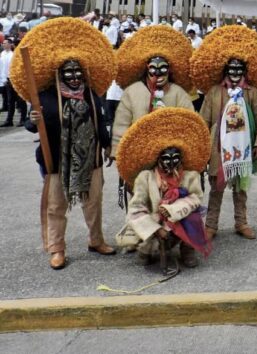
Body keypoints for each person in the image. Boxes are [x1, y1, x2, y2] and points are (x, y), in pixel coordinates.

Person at [12, 18, 117, 269]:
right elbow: (32, 125)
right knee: (56, 206)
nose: (74, 76)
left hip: (90, 158)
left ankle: (96, 240)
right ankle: (57, 248)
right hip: (58, 160)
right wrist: (32, 120)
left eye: (78, 72)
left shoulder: (91, 94)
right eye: (68, 72)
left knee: (94, 202)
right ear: (59, 74)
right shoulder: (45, 97)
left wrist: (107, 146)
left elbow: (100, 122)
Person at [110, 25, 195, 248]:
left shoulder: (178, 93)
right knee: (139, 197)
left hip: (172, 159)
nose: (158, 73)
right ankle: (139, 238)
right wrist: (117, 152)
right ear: (146, 69)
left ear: (170, 69)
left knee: (178, 198)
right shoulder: (132, 92)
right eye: (153, 69)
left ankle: (184, 244)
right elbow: (121, 124)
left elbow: (191, 125)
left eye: (163, 68)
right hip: (139, 158)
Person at [190, 25, 257, 240]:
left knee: (241, 188)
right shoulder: (214, 92)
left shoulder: (252, 93)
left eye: (239, 70)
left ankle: (241, 222)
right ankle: (211, 225)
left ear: (244, 72)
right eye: (231, 70)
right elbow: (203, 121)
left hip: (243, 148)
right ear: (225, 71)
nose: (235, 74)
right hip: (218, 149)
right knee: (216, 189)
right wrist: (201, 149)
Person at [119, 108, 212, 268]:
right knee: (144, 255)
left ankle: (187, 249)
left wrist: (172, 211)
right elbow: (135, 208)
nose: (171, 163)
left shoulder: (190, 176)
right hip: (154, 221)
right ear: (158, 160)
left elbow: (196, 198)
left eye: (175, 158)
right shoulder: (145, 177)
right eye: (166, 159)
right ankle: (146, 249)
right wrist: (155, 228)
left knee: (193, 216)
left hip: (178, 219)